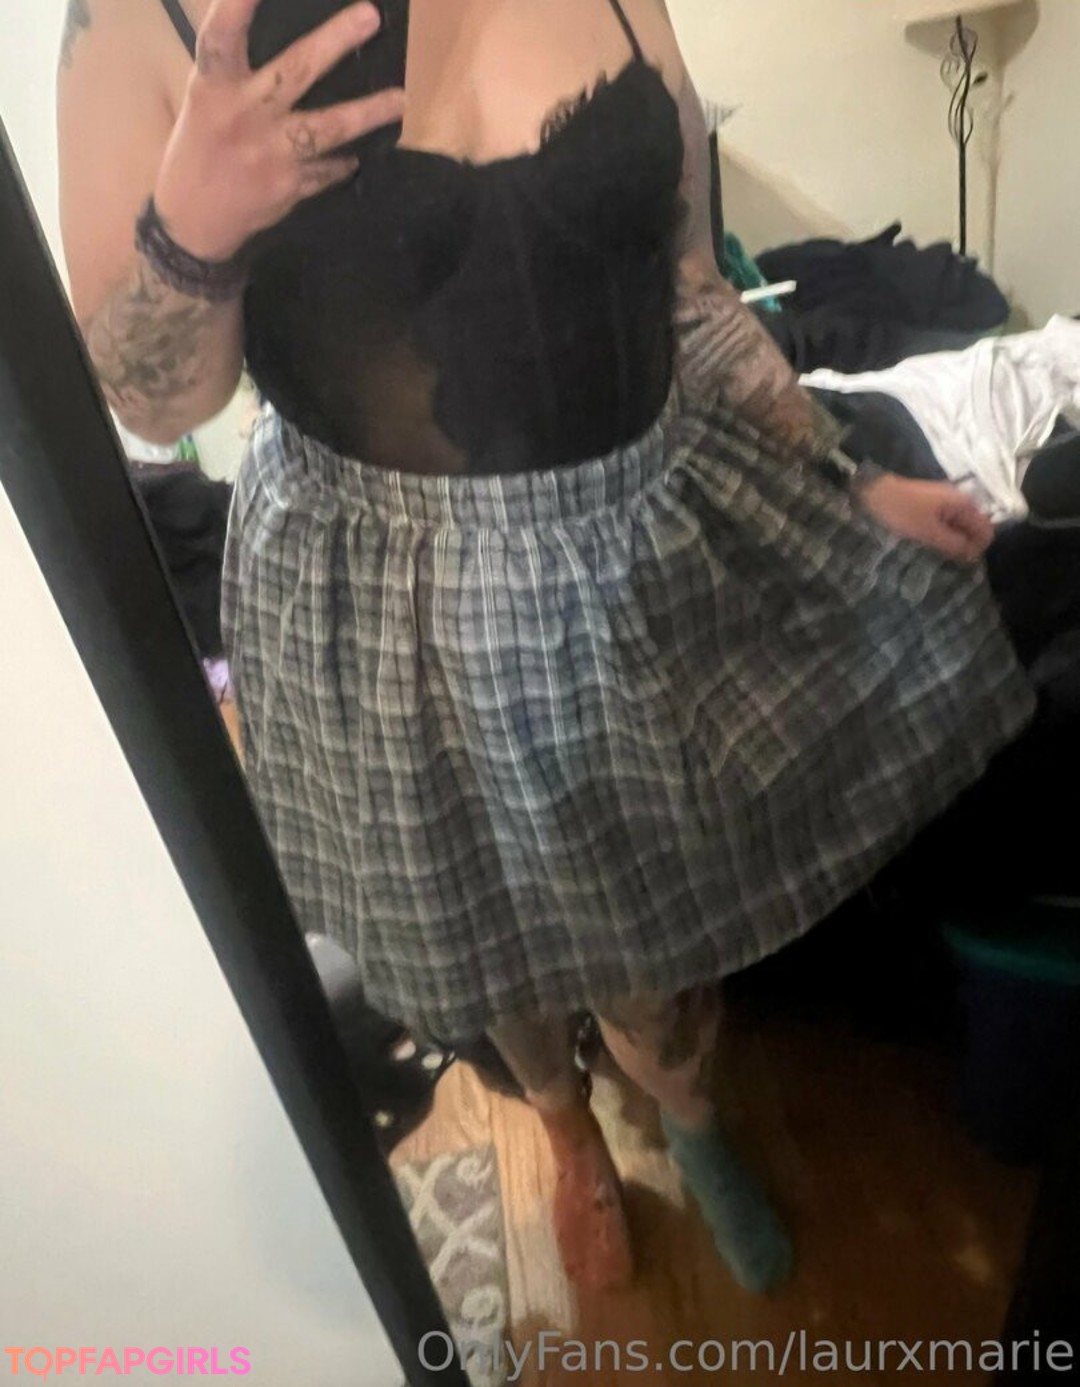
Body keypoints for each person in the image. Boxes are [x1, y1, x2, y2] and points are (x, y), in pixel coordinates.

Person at [59, 0, 1032, 1295]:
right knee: (490, 936)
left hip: (630, 559)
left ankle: (687, 1113)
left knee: (655, 935)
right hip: (394, 611)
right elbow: (153, 401)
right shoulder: (140, 19)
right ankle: (569, 1133)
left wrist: (844, 473)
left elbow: (688, 292)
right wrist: (190, 231)